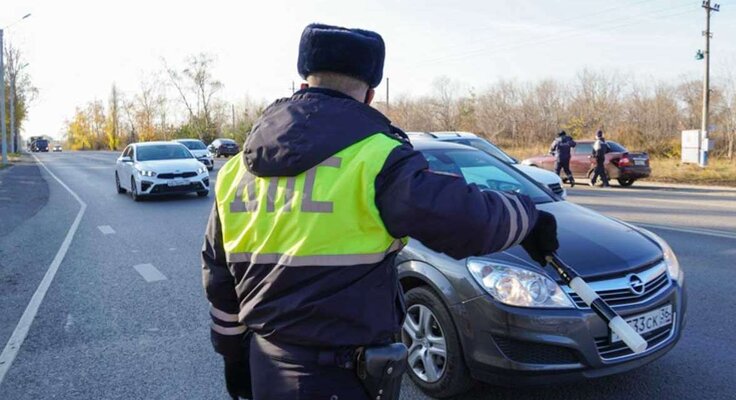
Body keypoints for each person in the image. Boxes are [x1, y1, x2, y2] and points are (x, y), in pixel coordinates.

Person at [201, 23, 559, 400]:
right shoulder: (377, 158)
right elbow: (466, 219)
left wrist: (233, 355)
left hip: (267, 367)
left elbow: (219, 277)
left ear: (302, 86)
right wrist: (528, 217)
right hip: (342, 378)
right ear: (370, 95)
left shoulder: (235, 170)